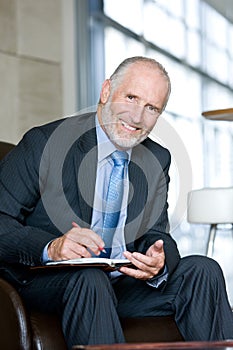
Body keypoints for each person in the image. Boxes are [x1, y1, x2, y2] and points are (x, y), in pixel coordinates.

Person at [0, 56, 232, 349]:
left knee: (203, 270)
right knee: (89, 278)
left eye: (151, 108)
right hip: (49, 280)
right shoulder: (44, 143)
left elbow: (157, 233)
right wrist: (52, 247)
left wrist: (157, 261)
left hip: (119, 281)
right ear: (106, 91)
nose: (137, 117)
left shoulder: (157, 157)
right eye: (131, 97)